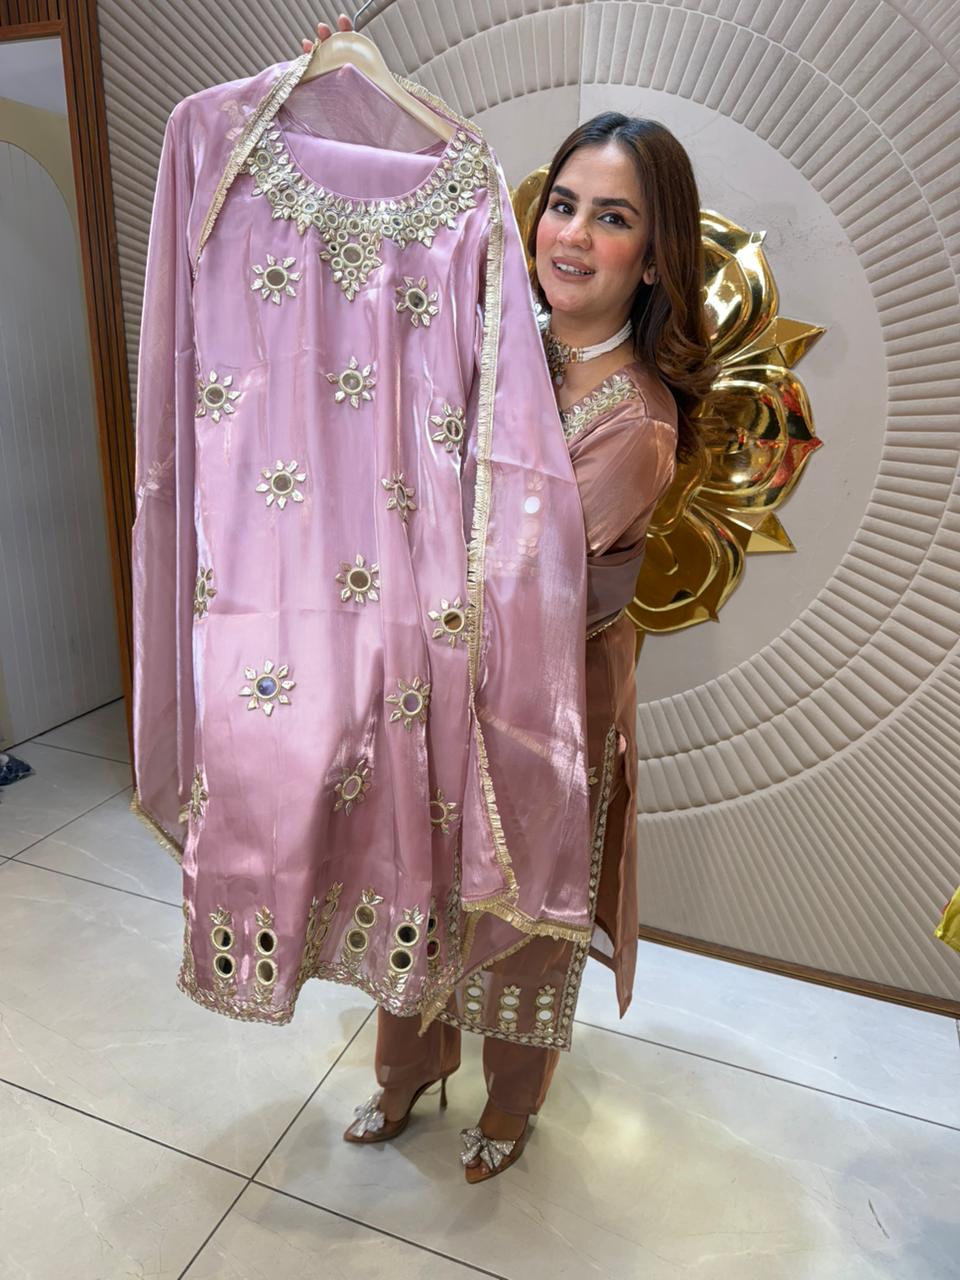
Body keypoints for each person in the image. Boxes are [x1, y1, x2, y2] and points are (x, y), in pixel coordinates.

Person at [304, 15, 715, 1182]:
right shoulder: (499, 336)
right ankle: (407, 1068)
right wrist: (349, 90)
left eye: (614, 217)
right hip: (440, 680)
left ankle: (512, 1099)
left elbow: (511, 577)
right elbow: (380, 266)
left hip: (549, 709)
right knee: (419, 883)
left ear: (654, 257)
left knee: (520, 910)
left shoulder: (636, 420)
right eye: (564, 204)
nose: (573, 234)